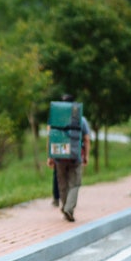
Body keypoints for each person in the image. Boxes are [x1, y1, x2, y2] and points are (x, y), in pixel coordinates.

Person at [46, 94, 90, 222]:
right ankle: (69, 209)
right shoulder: (81, 119)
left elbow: (51, 138)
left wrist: (50, 156)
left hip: (59, 156)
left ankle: (65, 207)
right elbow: (86, 139)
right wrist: (86, 156)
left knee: (62, 184)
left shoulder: (56, 119)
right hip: (75, 156)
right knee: (74, 184)